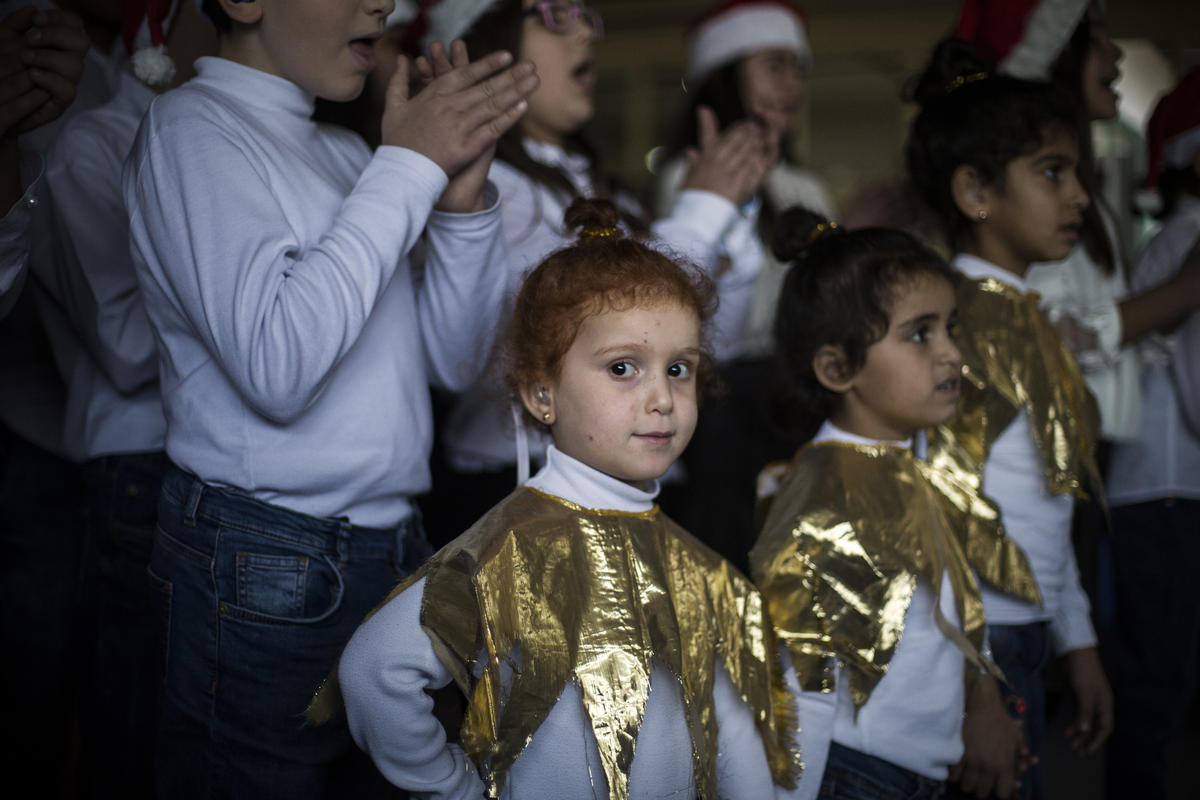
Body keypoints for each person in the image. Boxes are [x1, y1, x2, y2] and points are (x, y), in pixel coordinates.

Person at [122, 0, 539, 795]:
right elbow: (278, 368)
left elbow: (452, 364)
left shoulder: (349, 154)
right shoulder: (192, 129)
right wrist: (407, 165)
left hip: (392, 546)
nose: (384, 2)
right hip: (265, 554)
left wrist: (457, 205)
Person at [315, 199, 799, 799]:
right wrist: (452, 789)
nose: (662, 399)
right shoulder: (516, 546)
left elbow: (730, 725)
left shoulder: (696, 562)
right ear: (542, 394)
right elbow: (375, 670)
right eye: (623, 368)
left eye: (679, 369)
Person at [386, 0, 776, 543]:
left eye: (586, 17)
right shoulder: (485, 186)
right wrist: (702, 209)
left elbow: (707, 347)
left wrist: (731, 225)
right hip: (523, 485)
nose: (586, 35)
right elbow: (472, 357)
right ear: (488, 42)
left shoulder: (600, 187)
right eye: (551, 15)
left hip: (638, 482)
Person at [751, 206, 1039, 800]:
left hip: (920, 766)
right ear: (837, 367)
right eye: (919, 334)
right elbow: (799, 685)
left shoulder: (908, 467)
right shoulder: (828, 495)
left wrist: (983, 702)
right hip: (859, 772)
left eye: (951, 328)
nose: (951, 353)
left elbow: (955, 605)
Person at [907, 40, 1112, 800]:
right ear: (975, 191)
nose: (1080, 197)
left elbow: (1046, 501)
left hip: (1024, 634)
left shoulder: (1026, 321)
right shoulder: (961, 325)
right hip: (977, 646)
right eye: (1052, 172)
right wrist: (976, 689)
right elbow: (933, 504)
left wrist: (1077, 640)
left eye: (1077, 173)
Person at [36, 1, 213, 795]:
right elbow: (127, 348)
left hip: (196, 468)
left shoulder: (209, 136)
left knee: (189, 721)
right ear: (168, 27)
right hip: (136, 463)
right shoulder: (94, 145)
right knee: (134, 716)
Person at [649, 0, 836, 573]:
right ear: (725, 76)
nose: (792, 84)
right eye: (774, 66)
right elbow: (688, 304)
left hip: (797, 393)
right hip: (725, 404)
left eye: (798, 68)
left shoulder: (806, 185)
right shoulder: (692, 175)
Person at [1104, 67, 1200, 800]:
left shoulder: (1169, 239)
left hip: (1158, 488)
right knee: (1158, 678)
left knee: (1156, 674)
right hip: (1168, 490)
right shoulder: (1188, 245)